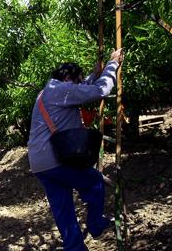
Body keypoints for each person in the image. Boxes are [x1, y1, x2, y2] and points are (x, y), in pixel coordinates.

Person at [27, 49, 124, 250]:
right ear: (69, 78)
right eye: (77, 80)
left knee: (63, 211)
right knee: (94, 181)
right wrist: (112, 65)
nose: (79, 84)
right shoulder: (62, 90)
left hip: (39, 163)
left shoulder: (50, 90)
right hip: (55, 160)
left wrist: (95, 74)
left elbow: (80, 89)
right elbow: (100, 91)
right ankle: (96, 224)